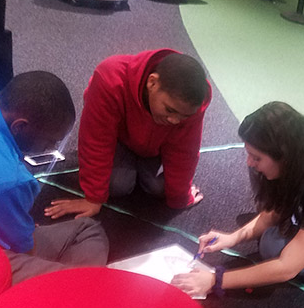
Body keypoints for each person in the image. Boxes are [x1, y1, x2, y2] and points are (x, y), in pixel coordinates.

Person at [170, 101, 304, 297]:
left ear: (285, 156)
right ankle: (301, 227)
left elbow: (287, 267)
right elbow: (274, 210)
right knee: (261, 177)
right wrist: (233, 238)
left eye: (256, 156)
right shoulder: (302, 158)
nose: (248, 162)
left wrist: (215, 280)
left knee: (272, 244)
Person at [43, 49, 211, 220]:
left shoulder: (189, 104)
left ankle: (137, 170)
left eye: (184, 116)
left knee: (160, 190)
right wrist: (93, 198)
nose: (175, 121)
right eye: (170, 110)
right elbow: (96, 140)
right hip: (119, 139)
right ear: (152, 82)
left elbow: (184, 152)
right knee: (118, 185)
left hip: (154, 148)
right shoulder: (110, 78)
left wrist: (181, 198)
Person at [0, 71, 109, 283]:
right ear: (20, 126)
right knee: (87, 234)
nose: (52, 147)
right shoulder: (9, 180)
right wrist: (22, 232)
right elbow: (26, 250)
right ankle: (75, 297)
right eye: (50, 140)